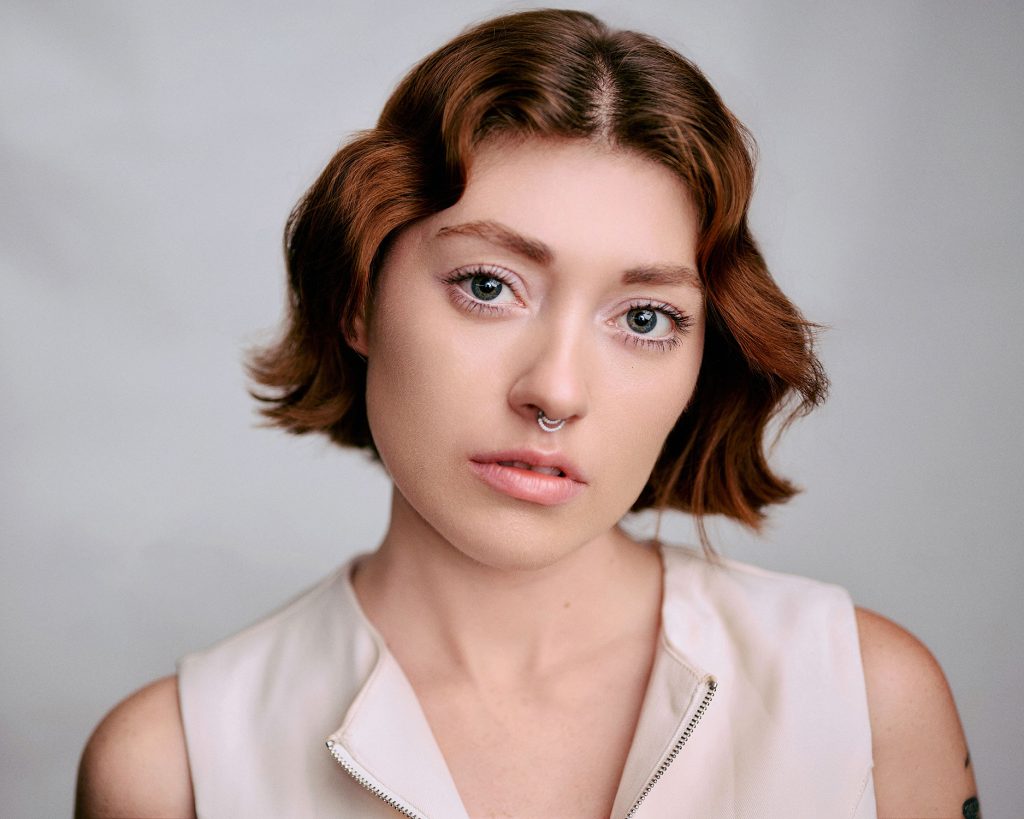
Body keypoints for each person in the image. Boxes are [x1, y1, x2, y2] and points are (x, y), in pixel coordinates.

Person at [75, 9, 979, 818]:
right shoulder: (173, 771)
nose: (555, 389)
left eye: (645, 317)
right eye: (486, 284)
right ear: (358, 297)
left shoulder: (865, 700)